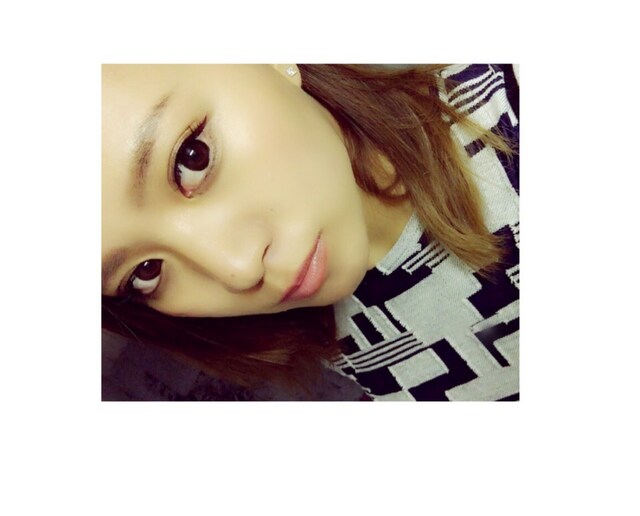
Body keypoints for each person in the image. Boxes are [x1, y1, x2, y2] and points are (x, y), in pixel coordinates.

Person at [102, 63, 519, 401]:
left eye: (192, 158)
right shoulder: (324, 329)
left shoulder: (511, 120)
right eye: (145, 272)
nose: (238, 270)